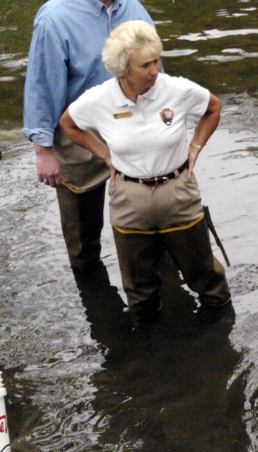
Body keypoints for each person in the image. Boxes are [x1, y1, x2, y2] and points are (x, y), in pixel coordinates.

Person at [59, 21, 230, 325]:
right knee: (139, 290)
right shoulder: (99, 99)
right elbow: (69, 124)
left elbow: (213, 108)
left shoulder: (176, 89)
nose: (154, 70)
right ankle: (147, 350)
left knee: (205, 276)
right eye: (145, 65)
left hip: (178, 191)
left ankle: (221, 339)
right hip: (129, 197)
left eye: (155, 61)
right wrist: (104, 156)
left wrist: (196, 146)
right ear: (122, 69)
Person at [23, 0, 154, 274]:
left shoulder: (134, 8)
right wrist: (43, 150)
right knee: (84, 242)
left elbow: (155, 71)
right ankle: (94, 296)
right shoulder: (55, 17)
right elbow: (42, 84)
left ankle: (152, 294)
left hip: (133, 129)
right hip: (77, 132)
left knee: (150, 226)